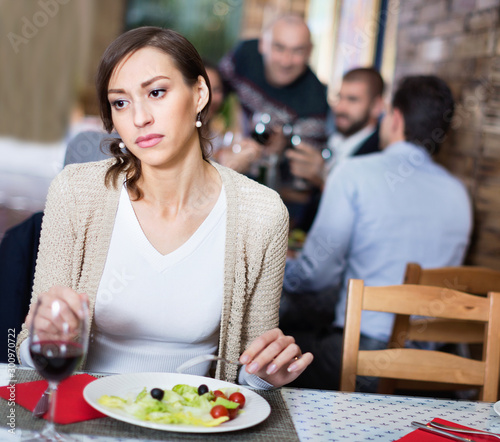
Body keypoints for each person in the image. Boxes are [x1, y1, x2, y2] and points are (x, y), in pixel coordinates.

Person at [16, 26, 313, 389]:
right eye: (120, 102)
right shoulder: (76, 192)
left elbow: (252, 363)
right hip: (86, 412)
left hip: (192, 419)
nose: (139, 118)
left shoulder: (262, 213)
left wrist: (267, 373)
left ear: (199, 93)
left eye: (156, 92)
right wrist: (45, 338)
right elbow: (30, 347)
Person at [280, 75, 472, 391]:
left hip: (365, 359)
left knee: (271, 347)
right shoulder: (459, 194)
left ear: (395, 118)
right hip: (433, 366)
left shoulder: (354, 173)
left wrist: (276, 267)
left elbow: (316, 276)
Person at [219, 14, 330, 215]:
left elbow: (302, 188)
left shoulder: (315, 102)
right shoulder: (244, 54)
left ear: (310, 52)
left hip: (266, 199)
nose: (286, 61)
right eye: (279, 48)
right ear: (263, 44)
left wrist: (280, 153)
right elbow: (211, 93)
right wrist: (226, 127)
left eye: (298, 51)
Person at [286, 67, 384, 191]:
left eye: (352, 100)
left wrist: (323, 177)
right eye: (339, 97)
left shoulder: (378, 155)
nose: (340, 108)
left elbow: (364, 201)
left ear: (376, 106)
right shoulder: (327, 138)